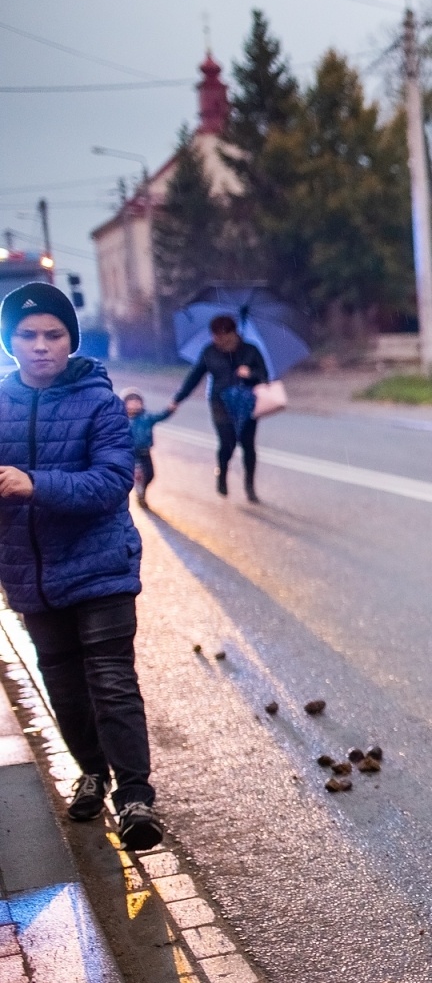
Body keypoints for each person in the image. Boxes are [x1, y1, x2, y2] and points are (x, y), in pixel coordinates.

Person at [0, 283, 164, 851]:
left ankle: (136, 796)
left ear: (71, 340)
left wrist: (33, 484)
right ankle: (91, 771)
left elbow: (113, 480)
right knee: (63, 685)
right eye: (28, 334)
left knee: (112, 681)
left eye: (54, 334)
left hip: (100, 566)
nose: (41, 345)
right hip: (30, 572)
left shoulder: (99, 402)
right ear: (9, 341)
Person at [169, 314, 268, 502]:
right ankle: (222, 473)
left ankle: (250, 486)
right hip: (220, 403)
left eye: (222, 335)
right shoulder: (209, 352)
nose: (217, 340)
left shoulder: (251, 351)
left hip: (246, 403)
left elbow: (264, 376)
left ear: (233, 333)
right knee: (227, 443)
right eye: (214, 335)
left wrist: (250, 373)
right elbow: (195, 376)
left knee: (248, 445)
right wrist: (178, 399)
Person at [121, 387, 172, 509]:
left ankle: (142, 489)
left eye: (137, 402)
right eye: (131, 401)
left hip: (145, 452)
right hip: (132, 454)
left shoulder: (146, 417)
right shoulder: (122, 419)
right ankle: (140, 496)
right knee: (139, 476)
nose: (135, 404)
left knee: (150, 475)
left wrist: (170, 410)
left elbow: (160, 416)